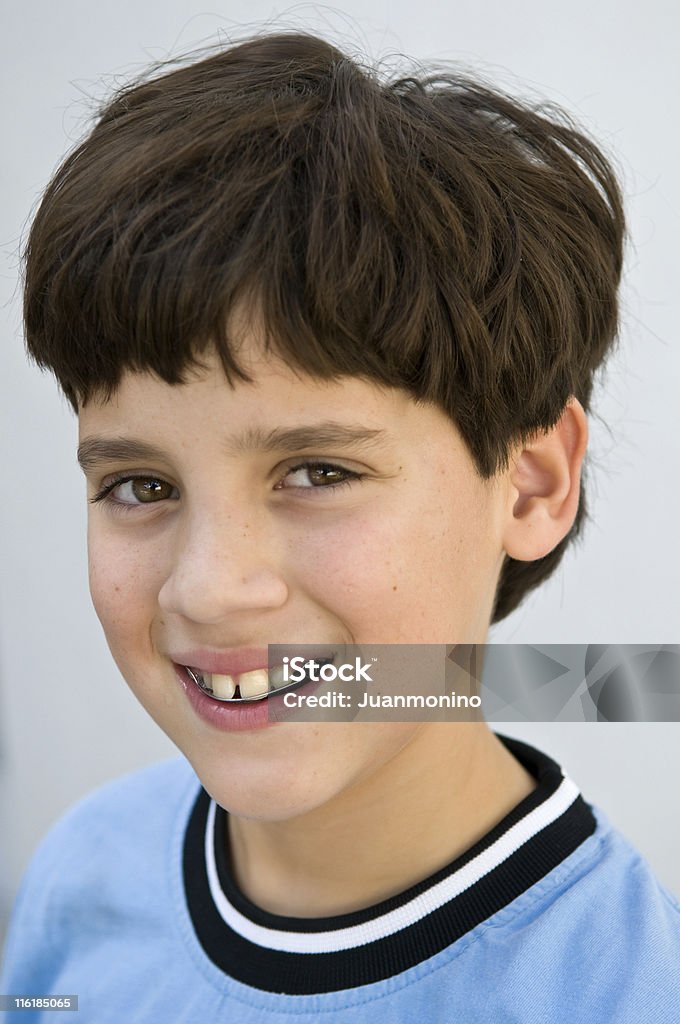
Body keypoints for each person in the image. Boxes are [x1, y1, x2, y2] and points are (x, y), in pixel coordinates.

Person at [1, 30, 678, 1022]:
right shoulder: (77, 879)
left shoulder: (630, 993)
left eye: (316, 471)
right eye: (142, 486)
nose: (207, 586)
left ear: (531, 485)